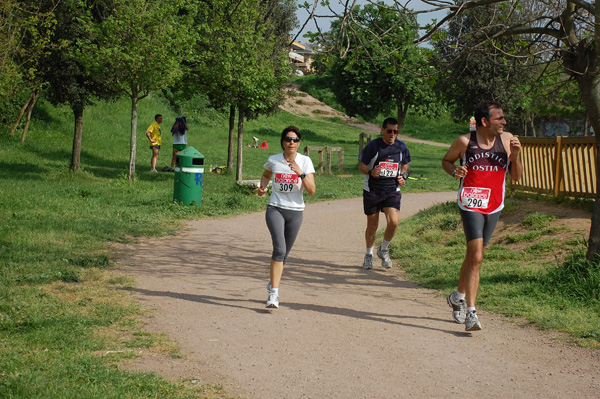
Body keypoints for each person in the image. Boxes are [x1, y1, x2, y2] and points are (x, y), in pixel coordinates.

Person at [442, 101, 523, 331]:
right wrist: (454, 170)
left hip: (495, 204)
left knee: (475, 255)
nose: (504, 122)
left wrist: (515, 156)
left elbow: (516, 177)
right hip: (470, 202)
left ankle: (457, 295)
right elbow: (446, 161)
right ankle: (471, 312)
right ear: (485, 121)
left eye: (503, 118)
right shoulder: (465, 142)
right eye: (499, 118)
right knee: (476, 256)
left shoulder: (507, 140)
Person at [257, 126, 316, 308]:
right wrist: (263, 187)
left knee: (285, 255)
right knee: (279, 250)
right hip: (275, 208)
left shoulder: (305, 161)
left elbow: (312, 190)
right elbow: (266, 174)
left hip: (295, 211)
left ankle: (273, 281)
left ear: (299, 143)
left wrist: (300, 173)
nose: (292, 142)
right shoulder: (273, 160)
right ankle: (273, 294)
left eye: (295, 139)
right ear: (283, 142)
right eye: (288, 139)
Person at [358, 117, 411, 270]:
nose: (392, 134)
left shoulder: (401, 147)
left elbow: (405, 164)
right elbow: (361, 166)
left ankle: (384, 249)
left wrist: (403, 176)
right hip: (373, 190)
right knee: (373, 225)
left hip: (392, 190)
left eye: (395, 131)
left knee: (393, 222)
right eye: (389, 131)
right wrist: (370, 171)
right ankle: (369, 254)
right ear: (382, 130)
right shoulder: (374, 146)